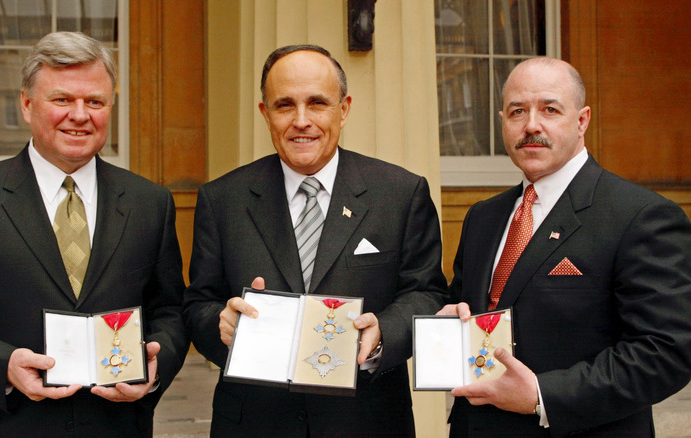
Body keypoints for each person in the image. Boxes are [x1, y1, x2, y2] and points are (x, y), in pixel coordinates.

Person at [0, 31, 189, 437]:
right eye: (62, 99)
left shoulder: (151, 203)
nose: (80, 115)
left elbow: (170, 312)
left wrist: (156, 364)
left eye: (94, 101)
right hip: (5, 426)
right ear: (27, 104)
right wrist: (1, 365)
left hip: (117, 426)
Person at [183, 44, 448, 437]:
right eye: (285, 105)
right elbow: (197, 304)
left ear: (343, 109)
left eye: (317, 103)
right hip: (254, 423)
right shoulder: (222, 200)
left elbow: (426, 293)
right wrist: (219, 325)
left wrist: (382, 335)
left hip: (368, 422)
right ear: (265, 113)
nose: (301, 121)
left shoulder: (400, 194)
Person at [440, 57, 691, 436]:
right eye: (517, 112)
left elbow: (665, 353)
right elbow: (466, 307)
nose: (531, 126)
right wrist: (447, 322)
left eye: (550, 109)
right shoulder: (483, 218)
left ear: (582, 120)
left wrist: (544, 395)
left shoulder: (641, 216)